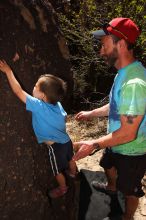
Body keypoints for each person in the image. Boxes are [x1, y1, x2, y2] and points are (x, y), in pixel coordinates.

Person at [73, 17, 146, 220]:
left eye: (104, 45)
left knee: (131, 190)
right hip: (115, 142)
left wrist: (93, 143)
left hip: (132, 150)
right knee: (107, 165)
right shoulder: (123, 73)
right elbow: (117, 106)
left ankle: (127, 217)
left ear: (120, 44)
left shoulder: (134, 83)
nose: (100, 51)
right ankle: (112, 189)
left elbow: (129, 132)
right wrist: (92, 113)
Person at [0, 60, 77, 199]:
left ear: (43, 95)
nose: (33, 87)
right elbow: (64, 118)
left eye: (36, 86)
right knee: (71, 158)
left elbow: (18, 91)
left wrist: (8, 71)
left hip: (55, 147)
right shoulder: (57, 104)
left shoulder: (38, 106)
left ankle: (63, 188)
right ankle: (73, 173)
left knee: (57, 171)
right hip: (66, 141)